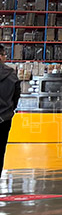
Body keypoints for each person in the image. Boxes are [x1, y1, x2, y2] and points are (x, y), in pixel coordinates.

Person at [0, 47, 21, 177]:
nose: (5, 58)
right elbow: (16, 95)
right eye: (4, 55)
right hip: (4, 119)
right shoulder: (12, 74)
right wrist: (9, 110)